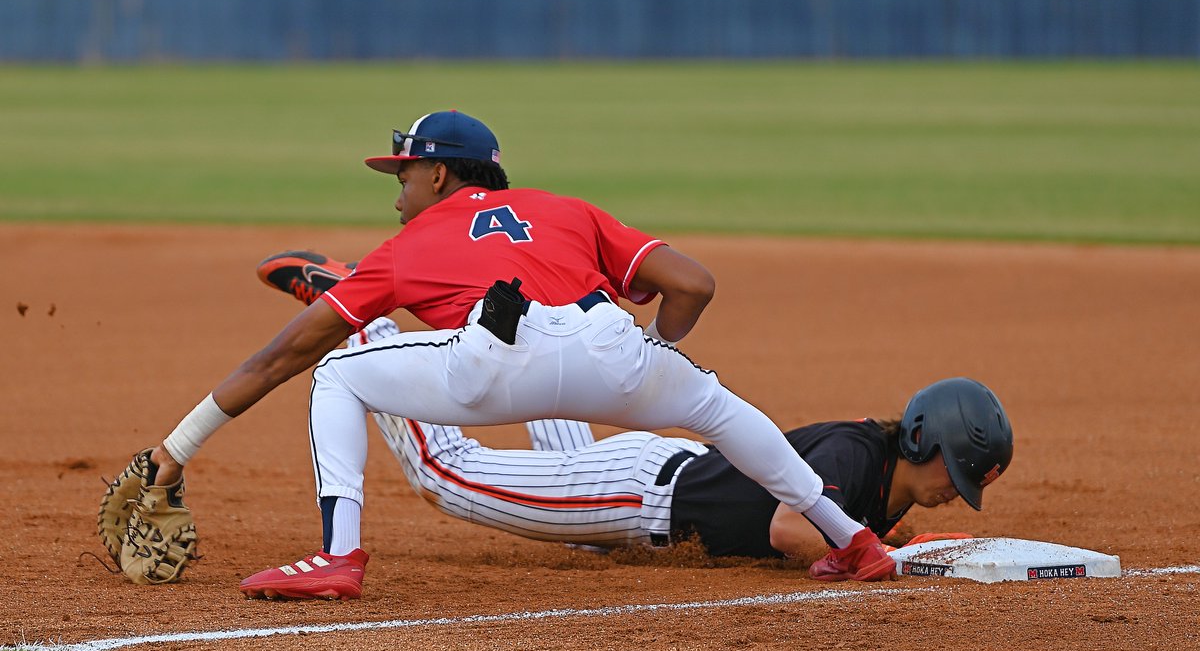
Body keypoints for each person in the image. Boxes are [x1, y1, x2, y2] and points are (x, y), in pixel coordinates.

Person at [142, 109, 900, 602]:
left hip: (495, 349)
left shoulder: (408, 246)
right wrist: (654, 356)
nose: (397, 191)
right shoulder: (567, 209)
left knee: (337, 372)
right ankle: (852, 540)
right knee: (718, 409)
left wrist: (178, 448)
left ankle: (339, 557)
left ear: (439, 175)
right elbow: (693, 285)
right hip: (610, 342)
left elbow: (277, 360)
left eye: (402, 174)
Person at [261, 257, 1015, 581]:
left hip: (645, 474)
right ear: (921, 439)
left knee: (559, 423)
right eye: (956, 470)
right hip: (636, 496)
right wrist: (880, 549)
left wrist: (892, 534)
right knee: (446, 473)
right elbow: (791, 530)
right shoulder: (857, 456)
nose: (957, 489)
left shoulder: (880, 474)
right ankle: (361, 321)